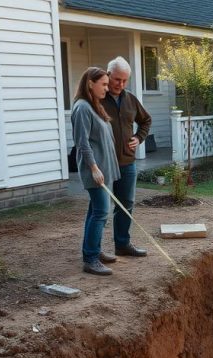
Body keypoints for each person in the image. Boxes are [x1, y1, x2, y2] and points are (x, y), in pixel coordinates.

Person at [71, 67, 121, 276]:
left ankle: (94, 251)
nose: (107, 88)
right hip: (96, 171)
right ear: (90, 83)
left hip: (105, 169)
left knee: (97, 211)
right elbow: (82, 143)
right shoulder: (82, 108)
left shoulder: (94, 106)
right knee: (101, 212)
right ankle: (90, 258)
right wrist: (93, 168)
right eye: (104, 84)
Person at [101, 56, 152, 257]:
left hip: (127, 163)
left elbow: (146, 120)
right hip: (104, 164)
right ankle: (95, 252)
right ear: (107, 74)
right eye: (116, 80)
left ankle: (122, 245)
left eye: (124, 81)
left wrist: (139, 138)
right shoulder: (97, 99)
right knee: (101, 210)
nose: (120, 85)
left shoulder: (130, 99)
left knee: (126, 205)